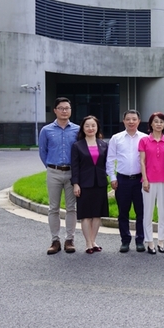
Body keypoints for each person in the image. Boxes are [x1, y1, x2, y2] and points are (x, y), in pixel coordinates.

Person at [39, 97, 80, 255]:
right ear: (55, 110)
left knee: (71, 208)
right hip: (53, 172)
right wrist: (51, 167)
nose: (64, 111)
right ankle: (55, 240)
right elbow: (43, 151)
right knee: (53, 208)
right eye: (61, 108)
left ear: (71, 110)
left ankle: (70, 239)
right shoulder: (46, 130)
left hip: (72, 173)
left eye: (67, 108)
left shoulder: (77, 130)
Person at [106, 110, 147, 253]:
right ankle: (125, 240)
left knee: (141, 212)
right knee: (123, 212)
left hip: (140, 180)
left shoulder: (145, 138)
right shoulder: (116, 138)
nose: (131, 122)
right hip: (122, 180)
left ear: (139, 121)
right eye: (128, 119)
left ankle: (140, 240)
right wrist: (112, 178)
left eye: (134, 119)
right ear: (123, 121)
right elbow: (110, 159)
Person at [70, 115, 109, 254]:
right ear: (83, 128)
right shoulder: (77, 146)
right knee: (86, 215)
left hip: (100, 183)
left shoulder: (104, 144)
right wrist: (75, 184)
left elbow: (107, 164)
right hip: (84, 184)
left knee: (97, 214)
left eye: (93, 125)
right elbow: (75, 167)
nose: (90, 128)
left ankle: (93, 241)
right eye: (87, 126)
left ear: (97, 127)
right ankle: (87, 243)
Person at [138, 112, 164, 255]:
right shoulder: (144, 140)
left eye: (161, 122)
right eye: (156, 121)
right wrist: (145, 179)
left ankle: (161, 241)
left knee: (163, 211)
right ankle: (150, 241)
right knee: (148, 212)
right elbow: (142, 161)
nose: (159, 124)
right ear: (151, 124)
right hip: (149, 181)